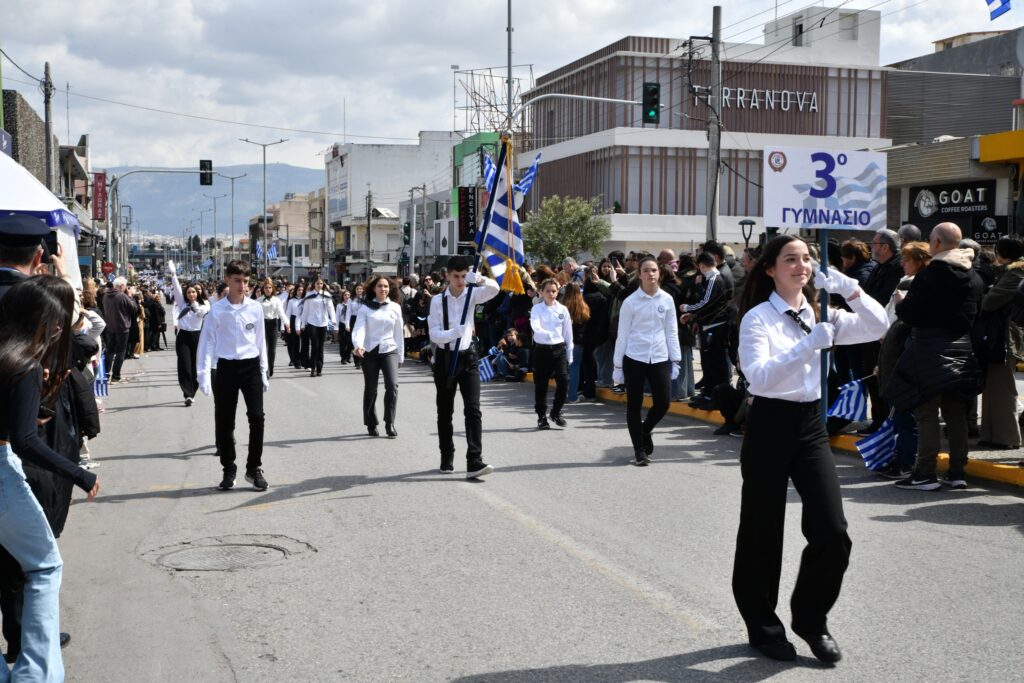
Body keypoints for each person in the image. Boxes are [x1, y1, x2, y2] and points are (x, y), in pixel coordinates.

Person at [732, 235, 887, 663]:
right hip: (768, 424)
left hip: (810, 426)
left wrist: (848, 287)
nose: (801, 266)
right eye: (790, 259)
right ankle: (763, 626)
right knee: (762, 532)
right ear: (770, 269)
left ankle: (811, 618)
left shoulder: (823, 311)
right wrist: (807, 345)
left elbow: (878, 326)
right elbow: (758, 378)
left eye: (806, 259)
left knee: (832, 530)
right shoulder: (758, 318)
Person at [0, 276, 100, 680]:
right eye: (57, 323)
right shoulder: (24, 364)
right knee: (43, 567)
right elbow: (25, 442)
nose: (59, 332)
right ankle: (36, 673)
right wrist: (79, 473)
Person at [887, 223, 984, 491]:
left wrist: (901, 304)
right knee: (956, 413)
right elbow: (977, 312)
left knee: (926, 413)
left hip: (929, 350)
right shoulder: (974, 276)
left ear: (938, 243)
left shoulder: (930, 275)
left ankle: (925, 473)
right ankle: (957, 472)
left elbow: (910, 314)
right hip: (962, 349)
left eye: (931, 240)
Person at [197, 260, 270, 492]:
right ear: (227, 279)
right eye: (237, 281)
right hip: (226, 367)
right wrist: (203, 374)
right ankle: (229, 468)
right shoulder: (217, 310)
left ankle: (253, 468)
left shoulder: (255, 308)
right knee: (225, 421)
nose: (242, 286)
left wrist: (264, 370)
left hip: (251, 366)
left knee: (257, 417)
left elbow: (261, 341)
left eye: (246, 281)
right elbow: (207, 342)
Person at [427, 256, 499, 478]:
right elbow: (434, 334)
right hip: (446, 358)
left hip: (468, 357)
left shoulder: (472, 294)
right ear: (448, 276)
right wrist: (453, 333)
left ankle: (474, 460)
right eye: (456, 276)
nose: (460, 281)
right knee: (445, 410)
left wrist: (481, 279)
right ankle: (446, 455)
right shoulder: (438, 301)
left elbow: (495, 290)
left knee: (473, 409)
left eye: (463, 276)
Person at [612, 255, 681, 465]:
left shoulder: (667, 299)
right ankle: (639, 451)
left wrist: (676, 359)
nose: (650, 274)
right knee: (634, 405)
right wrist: (617, 365)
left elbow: (671, 331)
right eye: (645, 270)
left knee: (663, 403)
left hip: (659, 357)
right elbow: (622, 335)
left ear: (659, 273)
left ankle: (645, 429)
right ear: (639, 275)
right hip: (634, 357)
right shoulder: (630, 302)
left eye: (653, 270)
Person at [976, 235, 1024, 450]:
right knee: (993, 386)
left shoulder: (1015, 273)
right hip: (1000, 335)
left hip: (1005, 337)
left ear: (1001, 254)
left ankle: (1007, 437)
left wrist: (986, 292)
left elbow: (989, 302)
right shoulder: (1010, 272)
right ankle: (992, 435)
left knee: (1003, 387)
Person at [352, 276, 405, 438]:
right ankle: (371, 422)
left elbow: (398, 332)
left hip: (390, 349)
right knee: (371, 388)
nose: (383, 289)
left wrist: (401, 355)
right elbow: (359, 328)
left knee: (392, 386)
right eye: (380, 286)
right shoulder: (365, 308)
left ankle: (390, 422)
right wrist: (358, 345)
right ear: (374, 289)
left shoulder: (395, 307)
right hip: (370, 350)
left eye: (386, 286)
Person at [682, 252, 731, 410]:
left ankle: (715, 397)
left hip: (715, 326)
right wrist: (694, 316)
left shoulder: (714, 279)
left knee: (716, 365)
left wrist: (687, 308)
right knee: (709, 364)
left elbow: (705, 302)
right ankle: (708, 393)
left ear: (702, 266)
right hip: (709, 324)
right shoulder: (712, 279)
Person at [530, 278, 574, 429]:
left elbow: (568, 333)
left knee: (564, 380)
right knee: (541, 385)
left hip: (559, 349)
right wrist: (546, 333)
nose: (551, 294)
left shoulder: (562, 309)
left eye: (554, 291)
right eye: (548, 291)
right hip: (542, 349)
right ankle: (541, 416)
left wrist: (570, 352)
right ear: (541, 292)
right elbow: (535, 326)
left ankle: (556, 412)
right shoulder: (537, 309)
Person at [167, 261, 209, 406]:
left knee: (195, 366)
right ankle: (188, 394)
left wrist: (195, 304)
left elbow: (202, 314)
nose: (191, 294)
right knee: (184, 365)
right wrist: (173, 274)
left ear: (198, 293)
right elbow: (177, 288)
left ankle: (193, 390)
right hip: (184, 336)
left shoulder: (204, 305)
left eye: (194, 292)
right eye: (189, 292)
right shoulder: (182, 303)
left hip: (198, 336)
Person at [102, 277, 139, 383]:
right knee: (120, 352)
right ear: (122, 286)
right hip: (122, 327)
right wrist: (130, 296)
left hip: (110, 326)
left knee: (109, 351)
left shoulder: (106, 295)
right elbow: (134, 308)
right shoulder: (122, 296)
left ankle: (106, 374)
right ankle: (116, 375)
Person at [298, 277, 336, 377]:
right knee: (315, 345)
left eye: (321, 284)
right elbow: (305, 310)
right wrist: (303, 324)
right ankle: (313, 368)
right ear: (314, 284)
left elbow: (331, 308)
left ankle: (319, 368)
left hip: (323, 322)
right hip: (312, 322)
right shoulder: (309, 295)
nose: (319, 285)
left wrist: (333, 319)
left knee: (321, 346)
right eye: (317, 283)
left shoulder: (326, 295)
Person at [256, 278, 288, 378]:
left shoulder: (276, 300)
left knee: (272, 349)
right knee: (264, 348)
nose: (268, 289)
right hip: (262, 324)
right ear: (263, 289)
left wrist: (287, 324)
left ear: (272, 289)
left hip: (273, 324)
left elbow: (281, 313)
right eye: (266, 288)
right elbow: (255, 315)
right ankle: (265, 370)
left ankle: (271, 367)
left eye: (270, 287)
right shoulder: (259, 300)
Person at [284, 283, 305, 369]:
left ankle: (303, 359)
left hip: (303, 321)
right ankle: (296, 361)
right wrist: (287, 325)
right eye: (299, 290)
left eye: (302, 290)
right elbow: (288, 314)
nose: (300, 291)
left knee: (304, 342)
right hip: (293, 320)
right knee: (295, 342)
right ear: (296, 291)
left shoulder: (305, 300)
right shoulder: (291, 301)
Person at [335, 288, 354, 364]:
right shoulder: (339, 305)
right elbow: (337, 316)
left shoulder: (352, 305)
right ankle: (343, 358)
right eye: (345, 295)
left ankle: (348, 356)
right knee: (343, 343)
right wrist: (336, 327)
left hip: (349, 324)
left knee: (350, 342)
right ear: (343, 296)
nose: (347, 296)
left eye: (348, 295)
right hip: (342, 324)